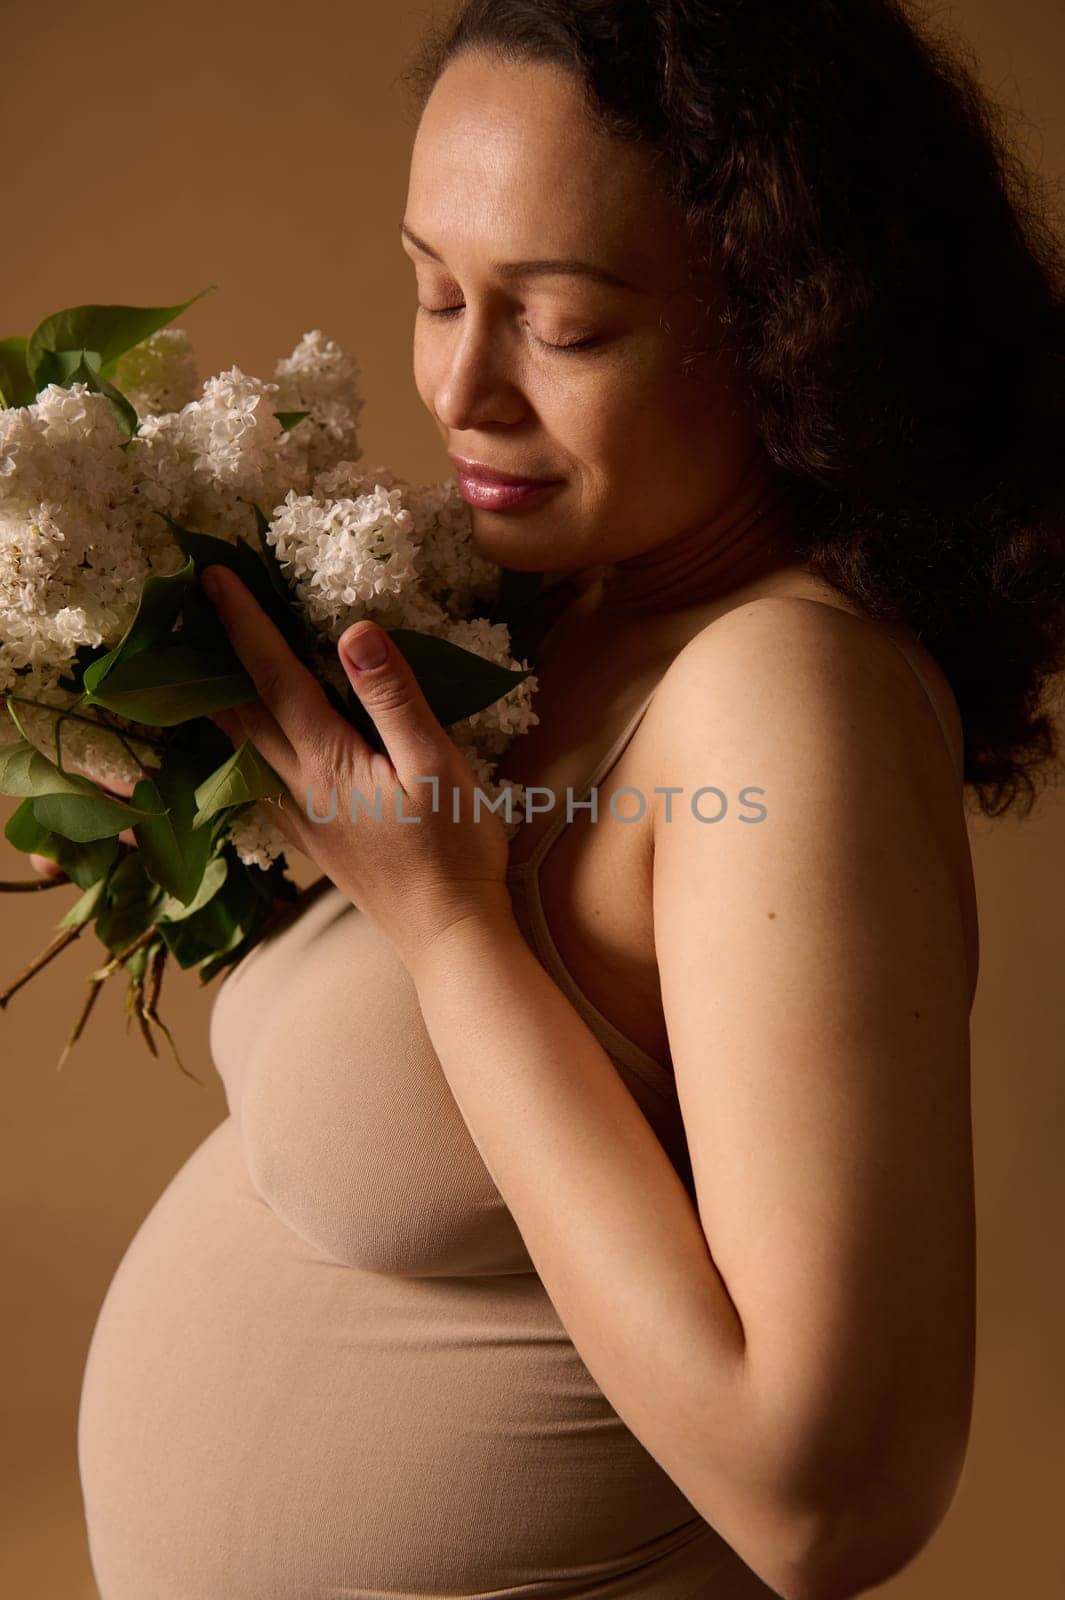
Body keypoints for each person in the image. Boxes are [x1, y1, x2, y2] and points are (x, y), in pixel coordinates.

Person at [68, 2, 1065, 1597]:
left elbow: (832, 1511)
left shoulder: (782, 702)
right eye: (432, 289)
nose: (462, 386)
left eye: (566, 326)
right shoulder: (550, 618)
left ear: (795, 327)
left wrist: (450, 935)